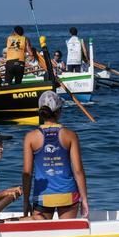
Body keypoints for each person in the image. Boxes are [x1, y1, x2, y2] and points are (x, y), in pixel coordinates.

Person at [22, 91, 89, 219]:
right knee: (68, 235)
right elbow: (78, 170)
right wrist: (84, 199)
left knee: (42, 236)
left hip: (43, 196)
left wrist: (26, 201)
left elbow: (27, 173)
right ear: (59, 112)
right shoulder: (70, 135)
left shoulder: (30, 138)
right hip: (68, 194)